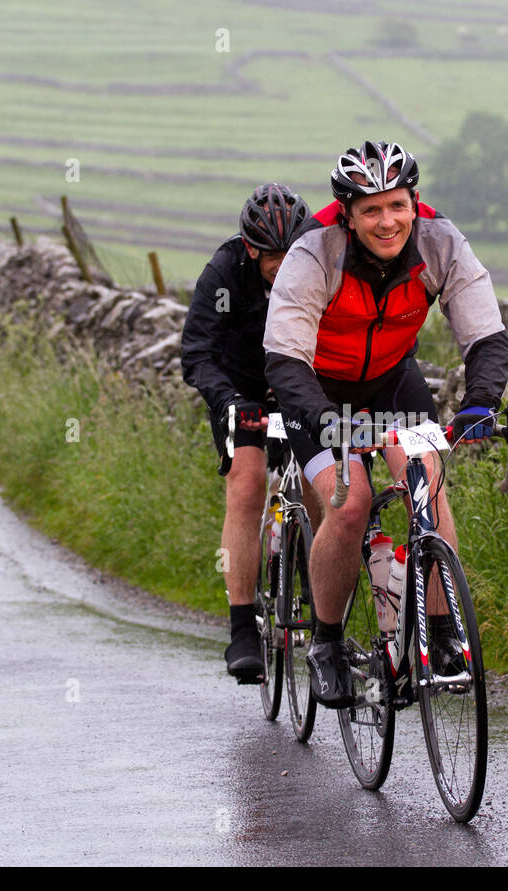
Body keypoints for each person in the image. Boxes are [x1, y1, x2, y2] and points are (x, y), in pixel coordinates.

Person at [263, 140, 508, 708]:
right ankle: (326, 644)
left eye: (396, 205)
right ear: (347, 215)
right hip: (317, 391)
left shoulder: (440, 242)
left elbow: (486, 334)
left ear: (414, 202)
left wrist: (480, 403)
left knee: (429, 489)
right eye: (370, 210)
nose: (387, 221)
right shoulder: (312, 254)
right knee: (349, 507)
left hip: (391, 382)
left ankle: (443, 633)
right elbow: (285, 360)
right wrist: (328, 421)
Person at [181, 183, 314, 683]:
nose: (283, 264)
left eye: (292, 252)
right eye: (272, 255)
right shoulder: (223, 273)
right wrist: (231, 402)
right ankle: (241, 629)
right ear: (251, 248)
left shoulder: (320, 267)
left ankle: (325, 613)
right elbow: (197, 353)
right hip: (241, 392)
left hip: (302, 385)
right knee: (248, 483)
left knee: (329, 485)